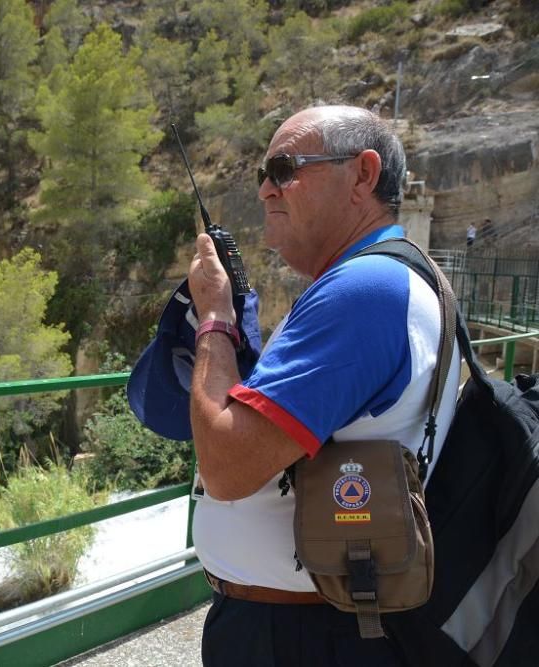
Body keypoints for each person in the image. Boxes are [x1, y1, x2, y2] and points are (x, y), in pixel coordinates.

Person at [186, 105, 463, 666]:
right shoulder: (397, 275)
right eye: (263, 173)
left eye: (285, 168)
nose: (266, 189)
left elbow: (227, 467)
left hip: (302, 635)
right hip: (326, 622)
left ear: (363, 174)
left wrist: (214, 318)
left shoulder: (364, 291)